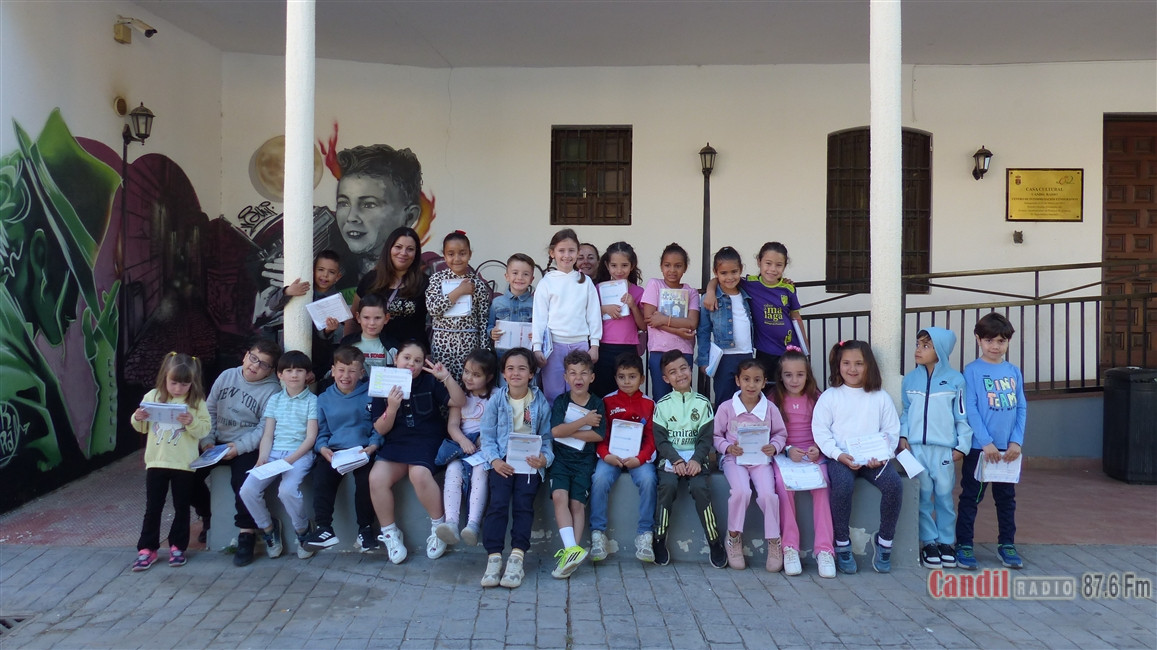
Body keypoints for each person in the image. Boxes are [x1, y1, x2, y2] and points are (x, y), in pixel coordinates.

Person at [368, 340, 466, 564]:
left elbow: (459, 401)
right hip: (396, 442)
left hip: (427, 440)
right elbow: (380, 428)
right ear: (396, 359)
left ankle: (438, 527)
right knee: (376, 478)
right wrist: (392, 407)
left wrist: (446, 378)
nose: (411, 364)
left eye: (418, 360)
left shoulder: (430, 381)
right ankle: (390, 533)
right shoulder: (384, 380)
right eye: (407, 358)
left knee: (419, 474)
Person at [813, 340, 903, 575]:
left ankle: (885, 542)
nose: (852, 369)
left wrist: (882, 456)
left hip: (874, 461)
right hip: (841, 458)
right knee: (842, 486)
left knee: (894, 485)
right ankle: (842, 543)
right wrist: (838, 454)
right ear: (838, 365)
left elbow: (891, 431)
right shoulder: (830, 397)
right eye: (846, 363)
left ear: (869, 365)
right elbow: (820, 431)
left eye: (859, 364)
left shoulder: (880, 397)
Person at [191, 338, 283, 565]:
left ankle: (247, 533)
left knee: (243, 484)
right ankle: (207, 515)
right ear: (245, 356)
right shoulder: (226, 376)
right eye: (253, 358)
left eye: (263, 364)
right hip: (216, 442)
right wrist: (207, 440)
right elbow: (209, 410)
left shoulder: (273, 390)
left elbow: (264, 428)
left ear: (271, 370)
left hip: (245, 446)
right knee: (186, 475)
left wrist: (239, 447)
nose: (255, 366)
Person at [956, 313, 1027, 570]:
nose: (995, 346)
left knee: (1006, 499)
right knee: (971, 498)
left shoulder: (1013, 371)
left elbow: (1021, 407)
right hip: (980, 450)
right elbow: (971, 408)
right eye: (989, 340)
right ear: (978, 339)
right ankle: (964, 545)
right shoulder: (972, 371)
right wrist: (985, 442)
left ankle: (1007, 544)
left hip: (1008, 451)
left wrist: (1016, 442)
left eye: (1001, 341)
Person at [478, 348, 554, 588]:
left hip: (529, 464)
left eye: (522, 368)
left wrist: (544, 459)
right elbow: (487, 436)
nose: (515, 373)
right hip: (503, 461)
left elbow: (547, 438)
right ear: (503, 373)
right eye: (510, 368)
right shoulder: (497, 400)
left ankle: (516, 558)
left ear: (531, 373)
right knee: (498, 504)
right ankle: (493, 558)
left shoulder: (539, 402)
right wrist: (494, 461)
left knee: (523, 506)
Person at [899, 327, 973, 570]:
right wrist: (903, 435)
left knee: (944, 496)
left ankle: (946, 542)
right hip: (917, 449)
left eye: (926, 346)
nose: (918, 350)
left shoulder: (955, 380)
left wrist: (962, 445)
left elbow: (961, 415)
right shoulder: (910, 380)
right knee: (923, 496)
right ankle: (929, 542)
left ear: (940, 350)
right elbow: (907, 411)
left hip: (944, 451)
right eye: (918, 344)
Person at [130, 353, 211, 571]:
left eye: (184, 384)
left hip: (184, 464)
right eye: (173, 383)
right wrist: (137, 418)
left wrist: (192, 422)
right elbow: (142, 427)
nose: (178, 388)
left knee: (181, 507)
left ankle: (178, 547)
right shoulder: (152, 396)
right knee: (153, 507)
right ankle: (147, 549)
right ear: (164, 377)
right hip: (156, 461)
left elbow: (204, 430)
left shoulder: (196, 402)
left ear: (192, 382)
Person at [239, 351, 319, 562]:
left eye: (299, 370)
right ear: (280, 375)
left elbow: (310, 438)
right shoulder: (274, 400)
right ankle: (268, 528)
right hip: (274, 454)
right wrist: (263, 458)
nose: (294, 375)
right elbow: (267, 434)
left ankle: (303, 530)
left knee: (287, 491)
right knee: (247, 490)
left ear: (307, 375)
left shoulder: (312, 401)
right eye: (289, 371)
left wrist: (290, 460)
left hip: (299, 454)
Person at [301, 346, 382, 554]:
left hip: (364, 450)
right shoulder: (324, 398)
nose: (346, 376)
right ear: (333, 371)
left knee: (366, 481)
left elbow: (378, 426)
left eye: (352, 371)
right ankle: (324, 529)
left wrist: (373, 445)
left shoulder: (371, 395)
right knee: (322, 478)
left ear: (361, 373)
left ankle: (365, 530)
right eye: (341, 370)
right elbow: (322, 431)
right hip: (335, 452)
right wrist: (322, 448)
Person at [651, 350, 726, 568]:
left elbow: (705, 439)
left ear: (690, 370)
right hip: (671, 460)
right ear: (666, 379)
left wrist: (695, 460)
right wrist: (676, 460)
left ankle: (714, 541)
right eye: (673, 372)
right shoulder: (662, 405)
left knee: (700, 489)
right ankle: (659, 538)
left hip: (696, 459)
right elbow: (661, 441)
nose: (680, 374)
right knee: (667, 488)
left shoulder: (703, 403)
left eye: (683, 368)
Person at [714, 359, 787, 571]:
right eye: (746, 379)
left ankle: (774, 540)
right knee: (741, 492)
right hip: (735, 460)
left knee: (768, 495)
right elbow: (716, 436)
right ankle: (733, 537)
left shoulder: (770, 409)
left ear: (764, 382)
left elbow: (780, 434)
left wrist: (774, 446)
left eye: (757, 380)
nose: (751, 385)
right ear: (738, 381)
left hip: (761, 461)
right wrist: (728, 447)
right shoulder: (727, 408)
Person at [769, 347, 836, 578]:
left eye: (800, 374)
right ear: (780, 376)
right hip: (785, 456)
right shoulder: (773, 400)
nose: (794, 380)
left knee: (823, 485)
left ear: (808, 375)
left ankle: (825, 550)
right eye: (788, 375)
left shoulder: (817, 398)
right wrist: (787, 450)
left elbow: (827, 428)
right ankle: (790, 548)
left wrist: (818, 448)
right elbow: (770, 433)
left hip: (814, 455)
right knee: (781, 485)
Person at [703, 242, 808, 383]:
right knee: (766, 388)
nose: (772, 269)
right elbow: (721, 277)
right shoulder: (750, 284)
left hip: (789, 349)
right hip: (765, 351)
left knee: (789, 386)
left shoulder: (788, 288)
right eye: (768, 263)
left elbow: (796, 317)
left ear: (785, 266)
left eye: (778, 265)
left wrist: (805, 347)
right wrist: (710, 291)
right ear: (759, 262)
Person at [590, 353, 657, 563]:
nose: (627, 381)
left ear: (642, 379)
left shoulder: (649, 404)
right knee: (599, 479)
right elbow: (601, 435)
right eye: (621, 377)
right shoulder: (607, 401)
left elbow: (652, 438)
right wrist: (606, 455)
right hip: (612, 456)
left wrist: (641, 458)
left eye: (632, 376)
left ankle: (645, 535)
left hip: (638, 458)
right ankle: (598, 534)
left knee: (649, 479)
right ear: (615, 378)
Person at [547, 350, 606, 579]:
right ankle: (571, 549)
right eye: (572, 373)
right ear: (565, 377)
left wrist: (568, 431)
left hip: (584, 462)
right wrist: (584, 421)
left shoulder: (597, 403)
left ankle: (571, 554)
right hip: (561, 460)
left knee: (577, 504)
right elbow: (555, 432)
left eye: (583, 373)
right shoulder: (561, 401)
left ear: (592, 377)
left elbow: (597, 435)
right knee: (559, 497)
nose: (578, 377)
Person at [434, 349, 498, 548]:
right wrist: (463, 441)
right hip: (462, 447)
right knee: (452, 471)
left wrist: (482, 440)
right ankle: (451, 523)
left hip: (484, 448)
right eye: (467, 372)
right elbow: (453, 426)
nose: (469, 378)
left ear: (489, 377)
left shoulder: (496, 396)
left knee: (480, 472)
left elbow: (500, 425)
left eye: (476, 375)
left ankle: (473, 524)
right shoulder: (460, 396)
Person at [531, 229, 603, 403]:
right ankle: (555, 422)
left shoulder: (585, 282)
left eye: (571, 250)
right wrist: (537, 347)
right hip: (553, 346)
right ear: (552, 253)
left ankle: (578, 421)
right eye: (561, 250)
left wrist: (594, 344)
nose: (566, 255)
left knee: (578, 391)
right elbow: (539, 318)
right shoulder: (546, 282)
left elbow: (593, 315)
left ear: (577, 252)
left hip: (580, 344)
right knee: (553, 392)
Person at [334, 144, 423, 276]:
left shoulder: (423, 276)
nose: (351, 217)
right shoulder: (332, 270)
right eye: (344, 203)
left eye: (369, 204)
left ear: (409, 217)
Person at [264, 250, 345, 376]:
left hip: (317, 356)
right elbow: (272, 305)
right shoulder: (302, 287)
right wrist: (288, 292)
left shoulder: (335, 301)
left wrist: (328, 330)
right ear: (312, 270)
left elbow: (326, 336)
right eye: (321, 269)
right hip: (288, 348)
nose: (325, 275)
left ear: (338, 277)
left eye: (331, 272)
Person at [426, 231, 491, 381]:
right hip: (442, 344)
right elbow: (433, 309)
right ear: (444, 255)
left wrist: (484, 351)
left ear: (470, 254)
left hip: (469, 344)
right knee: (442, 383)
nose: (457, 259)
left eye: (462, 253)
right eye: (451, 254)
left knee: (467, 382)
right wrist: (459, 292)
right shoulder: (436, 280)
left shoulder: (478, 285)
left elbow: (483, 320)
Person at [697, 246, 755, 408]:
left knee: (747, 401)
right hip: (723, 358)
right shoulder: (710, 298)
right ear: (716, 272)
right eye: (723, 273)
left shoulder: (747, 292)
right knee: (724, 401)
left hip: (746, 355)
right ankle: (722, 426)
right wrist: (703, 360)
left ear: (741, 270)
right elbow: (703, 331)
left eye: (734, 272)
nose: (729, 277)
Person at [351, 226, 428, 347]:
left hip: (410, 354)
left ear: (416, 253)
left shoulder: (425, 283)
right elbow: (353, 319)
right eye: (398, 247)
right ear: (389, 249)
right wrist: (347, 348)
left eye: (410, 249)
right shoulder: (370, 279)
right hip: (374, 352)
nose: (403, 253)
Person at [641, 243, 700, 401]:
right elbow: (649, 318)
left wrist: (664, 320)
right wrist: (677, 330)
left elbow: (691, 323)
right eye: (667, 265)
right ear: (661, 266)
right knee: (661, 398)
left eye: (678, 266)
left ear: (685, 268)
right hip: (659, 350)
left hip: (683, 351)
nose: (672, 270)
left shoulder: (691, 292)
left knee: (684, 397)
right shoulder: (655, 285)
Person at [593, 242, 645, 398]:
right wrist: (604, 309)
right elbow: (587, 316)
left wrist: (633, 306)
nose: (619, 270)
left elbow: (643, 325)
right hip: (604, 346)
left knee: (627, 390)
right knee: (603, 390)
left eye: (624, 265)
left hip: (628, 347)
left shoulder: (638, 291)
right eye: (614, 265)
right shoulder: (599, 289)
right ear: (607, 266)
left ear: (632, 266)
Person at [488, 253, 536, 361]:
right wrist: (491, 332)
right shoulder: (497, 303)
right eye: (515, 273)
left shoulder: (536, 303)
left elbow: (542, 327)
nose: (520, 277)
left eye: (526, 274)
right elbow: (490, 325)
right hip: (501, 357)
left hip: (527, 358)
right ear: (507, 276)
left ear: (531, 279)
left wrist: (537, 335)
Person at [341, 294, 396, 370]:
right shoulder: (347, 343)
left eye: (377, 318)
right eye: (366, 317)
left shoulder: (393, 346)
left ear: (386, 318)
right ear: (358, 317)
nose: (372, 323)